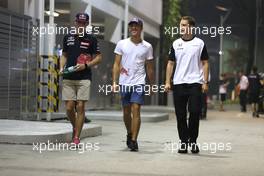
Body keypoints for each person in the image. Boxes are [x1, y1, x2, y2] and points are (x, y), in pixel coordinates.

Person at [165, 16, 209, 154]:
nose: (181, 27)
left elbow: (205, 63)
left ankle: (193, 141)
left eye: (184, 25)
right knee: (180, 115)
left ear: (191, 27)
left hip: (195, 83)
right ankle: (184, 142)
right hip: (179, 83)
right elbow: (170, 63)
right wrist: (167, 81)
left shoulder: (199, 43)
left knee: (195, 112)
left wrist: (205, 82)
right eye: (181, 25)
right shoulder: (175, 43)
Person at [112, 17, 154, 152]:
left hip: (139, 82)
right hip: (124, 82)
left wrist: (151, 85)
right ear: (129, 28)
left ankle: (134, 140)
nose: (134, 28)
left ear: (141, 28)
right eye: (132, 26)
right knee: (126, 112)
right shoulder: (121, 44)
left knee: (136, 109)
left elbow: (149, 67)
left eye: (136, 26)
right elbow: (116, 64)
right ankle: (129, 133)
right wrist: (114, 82)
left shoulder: (147, 47)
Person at [60, 13, 102, 145]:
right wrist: (61, 67)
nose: (81, 25)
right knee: (69, 108)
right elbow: (64, 55)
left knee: (80, 106)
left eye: (83, 23)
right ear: (75, 22)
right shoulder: (68, 37)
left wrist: (85, 65)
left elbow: (99, 58)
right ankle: (76, 126)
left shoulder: (92, 39)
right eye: (79, 22)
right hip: (68, 76)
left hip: (84, 77)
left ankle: (76, 137)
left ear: (87, 24)